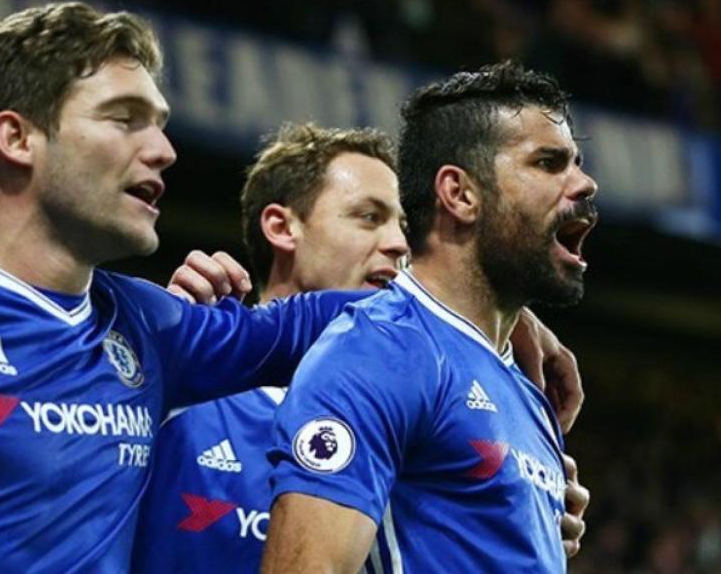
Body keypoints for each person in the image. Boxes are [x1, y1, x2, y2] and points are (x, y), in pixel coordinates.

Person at [0, 4, 367, 571]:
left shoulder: (148, 323)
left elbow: (311, 325)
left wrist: (482, 294)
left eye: (161, 123)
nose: (163, 151)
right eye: (125, 119)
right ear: (16, 138)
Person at [133, 123, 590, 572]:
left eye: (403, 226)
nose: (397, 244)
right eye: (368, 217)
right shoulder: (181, 384)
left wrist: (521, 503)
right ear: (281, 226)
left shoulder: (428, 412)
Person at [262, 61, 599, 573]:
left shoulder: (526, 384)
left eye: (576, 163)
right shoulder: (379, 351)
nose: (584, 183)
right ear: (460, 194)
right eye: (549, 164)